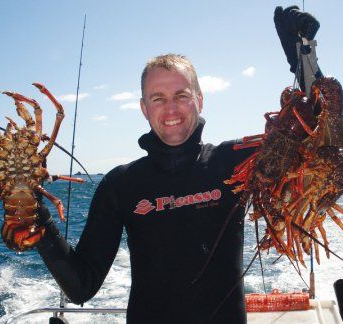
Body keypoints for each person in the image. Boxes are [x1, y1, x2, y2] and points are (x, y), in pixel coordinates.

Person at [34, 6, 320, 324]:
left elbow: (312, 136)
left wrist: (304, 60)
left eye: (181, 95)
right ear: (144, 108)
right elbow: (81, 286)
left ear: (199, 99)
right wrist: (35, 215)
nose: (170, 108)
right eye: (157, 98)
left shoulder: (236, 160)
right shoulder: (121, 184)